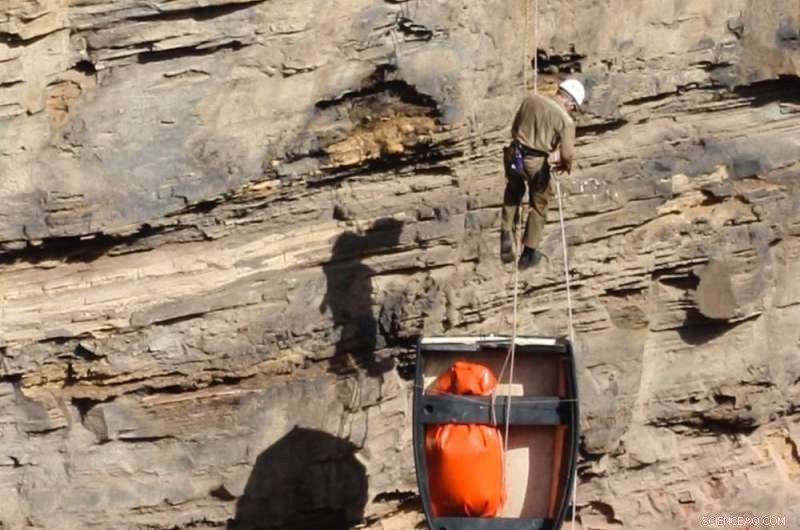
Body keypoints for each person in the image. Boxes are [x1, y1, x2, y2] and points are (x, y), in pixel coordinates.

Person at [501, 79, 585, 270]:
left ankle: (506, 231)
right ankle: (528, 253)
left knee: (513, 190)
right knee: (539, 203)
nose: (572, 110)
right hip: (535, 163)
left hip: (514, 154)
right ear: (569, 102)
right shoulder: (565, 121)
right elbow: (568, 153)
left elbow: (515, 127)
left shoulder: (531, 99)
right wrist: (564, 165)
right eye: (574, 107)